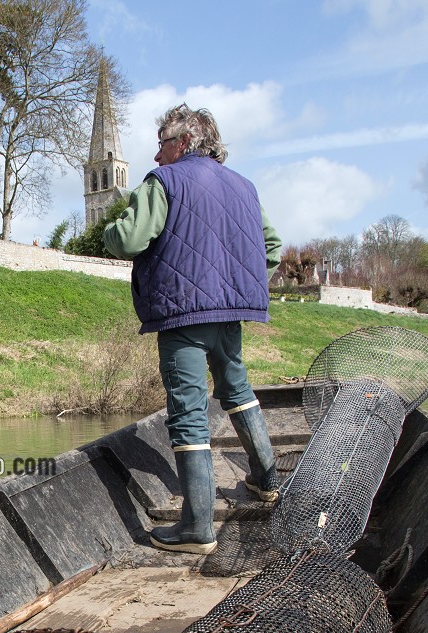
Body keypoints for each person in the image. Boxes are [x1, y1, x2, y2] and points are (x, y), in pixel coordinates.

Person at [104, 104, 282, 555]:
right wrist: (239, 283)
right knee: (237, 388)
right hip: (229, 315)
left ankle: (197, 528)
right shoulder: (245, 187)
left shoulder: (162, 182)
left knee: (188, 412)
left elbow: (128, 240)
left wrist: (111, 228)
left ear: (183, 142)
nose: (157, 151)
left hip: (183, 315)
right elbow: (272, 247)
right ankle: (266, 480)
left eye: (162, 141)